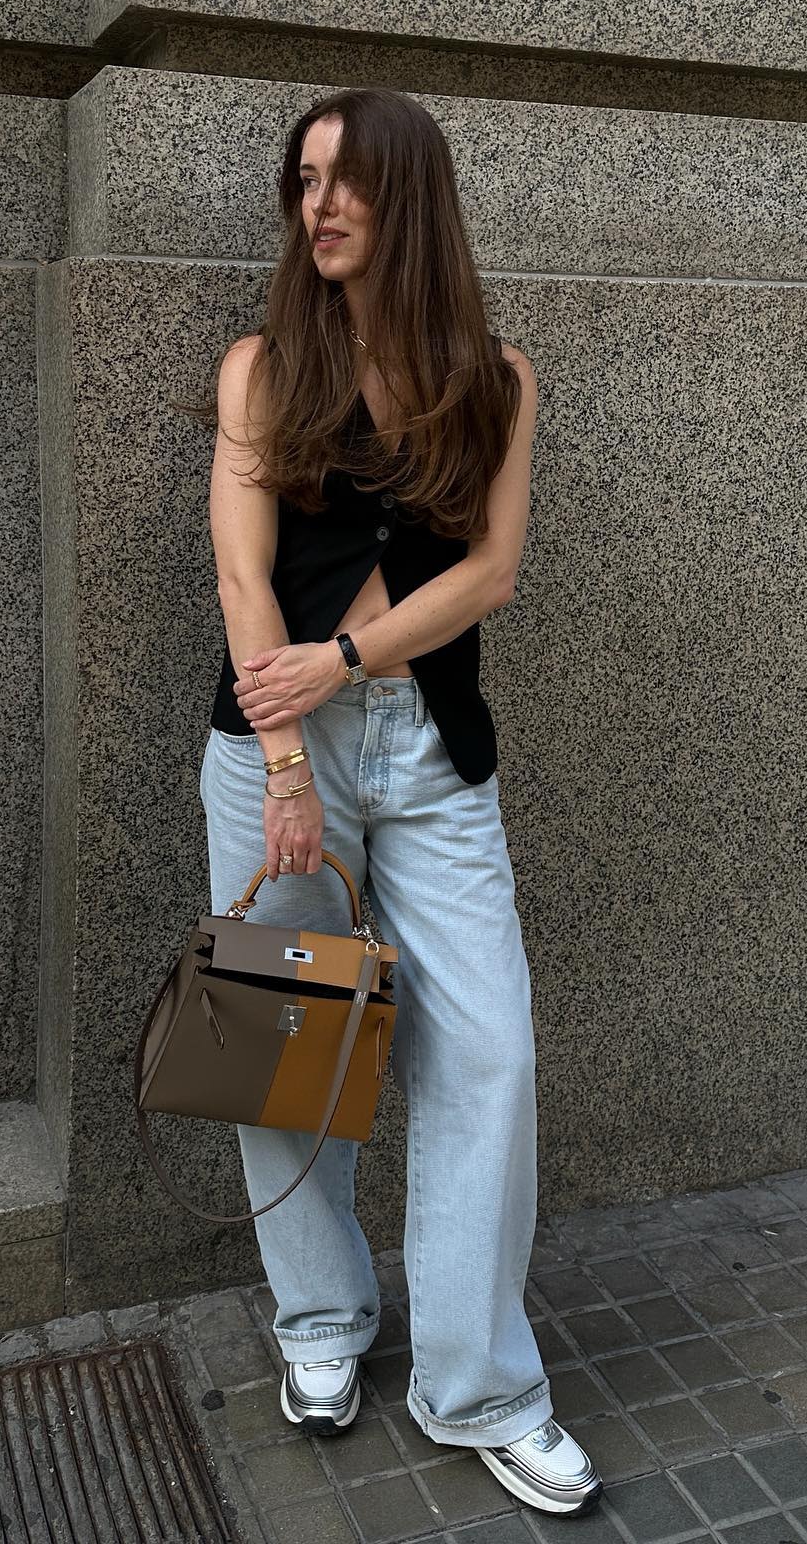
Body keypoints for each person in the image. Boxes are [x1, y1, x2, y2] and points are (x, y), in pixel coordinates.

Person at [192, 87, 602, 1519]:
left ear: (407, 195)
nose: (320, 205)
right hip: (270, 754)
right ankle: (320, 1328)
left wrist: (356, 658)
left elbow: (489, 574)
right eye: (303, 181)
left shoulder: (493, 378)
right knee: (288, 1056)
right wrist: (291, 753)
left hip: (430, 755)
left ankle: (477, 1383)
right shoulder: (261, 370)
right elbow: (245, 578)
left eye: (347, 180)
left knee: (488, 1053)